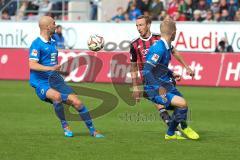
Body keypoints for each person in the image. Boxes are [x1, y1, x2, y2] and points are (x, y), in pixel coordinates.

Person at [28, 16, 104, 138]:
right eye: (53, 23)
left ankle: (93, 130)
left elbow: (51, 62)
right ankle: (65, 125)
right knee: (57, 97)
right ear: (47, 27)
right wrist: (51, 68)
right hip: (41, 82)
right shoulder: (36, 44)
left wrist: (56, 70)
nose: (55, 25)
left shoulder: (53, 42)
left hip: (55, 80)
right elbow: (32, 64)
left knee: (78, 103)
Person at [130, 15, 195, 136]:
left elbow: (173, 52)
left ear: (148, 25)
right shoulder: (134, 44)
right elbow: (133, 67)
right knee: (162, 104)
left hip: (165, 78)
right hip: (149, 82)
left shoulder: (160, 38)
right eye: (137, 26)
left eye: (141, 25)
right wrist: (135, 86)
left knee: (176, 104)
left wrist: (179, 69)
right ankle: (173, 131)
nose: (139, 28)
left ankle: (179, 127)